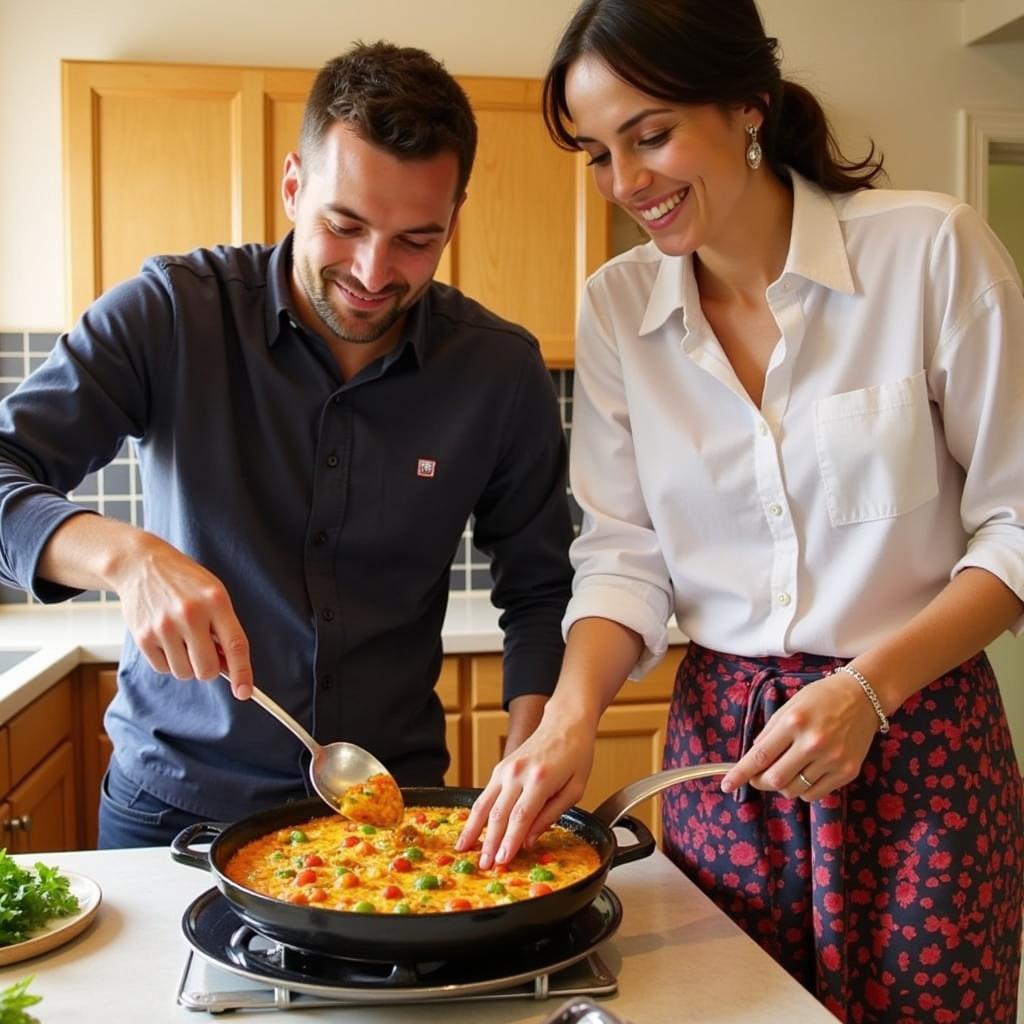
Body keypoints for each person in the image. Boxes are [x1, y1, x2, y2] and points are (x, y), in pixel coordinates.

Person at [457, 1, 1024, 1019]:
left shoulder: (929, 251)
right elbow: (622, 555)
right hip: (727, 759)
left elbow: (1018, 527)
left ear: (746, 105)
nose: (626, 184)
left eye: (650, 133)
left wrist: (868, 692)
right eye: (596, 153)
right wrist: (572, 718)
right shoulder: (619, 308)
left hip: (922, 741)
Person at [0, 42, 574, 848]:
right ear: (293, 186)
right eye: (344, 226)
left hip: (390, 811)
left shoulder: (499, 370)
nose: (375, 272)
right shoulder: (171, 313)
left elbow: (542, 588)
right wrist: (123, 557)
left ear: (455, 217)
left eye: (417, 239)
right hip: (172, 812)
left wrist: (534, 736)